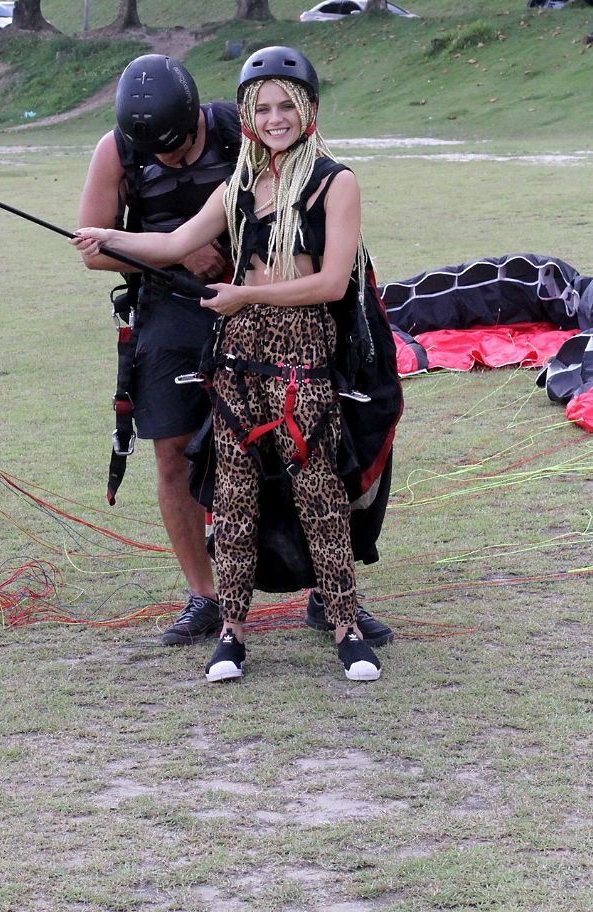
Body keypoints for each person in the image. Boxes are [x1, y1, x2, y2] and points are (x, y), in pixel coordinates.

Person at [74, 46, 390, 683]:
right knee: (236, 492)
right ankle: (229, 627)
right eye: (263, 108)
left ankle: (343, 618)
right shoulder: (237, 182)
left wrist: (246, 294)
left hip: (298, 349)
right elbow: (169, 243)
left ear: (309, 110)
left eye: (286, 106)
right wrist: (107, 239)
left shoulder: (336, 180)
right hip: (235, 351)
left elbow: (332, 284)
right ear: (247, 116)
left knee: (317, 484)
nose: (274, 118)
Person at [77, 54, 242, 645]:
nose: (170, 161)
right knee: (172, 454)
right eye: (159, 155)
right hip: (168, 308)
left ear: (197, 115)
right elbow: (94, 247)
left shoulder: (235, 127)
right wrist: (174, 252)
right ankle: (205, 595)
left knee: (284, 439)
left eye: (179, 148)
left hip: (252, 294)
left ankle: (322, 584)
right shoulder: (116, 149)